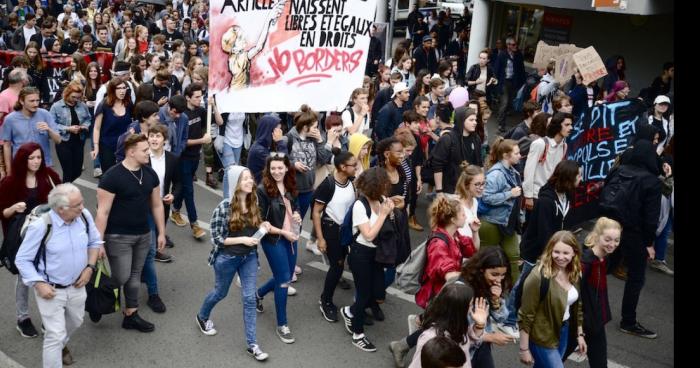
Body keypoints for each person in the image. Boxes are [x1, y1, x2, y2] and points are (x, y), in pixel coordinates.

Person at [14, 183, 99, 367]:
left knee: (76, 321)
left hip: (78, 285)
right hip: (51, 290)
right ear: (61, 209)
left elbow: (94, 242)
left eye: (82, 202)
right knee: (54, 335)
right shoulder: (41, 226)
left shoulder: (84, 217)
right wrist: (38, 283)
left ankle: (60, 344)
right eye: (77, 205)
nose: (83, 207)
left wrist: (90, 267)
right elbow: (22, 260)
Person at [390, 196, 478, 366]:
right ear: (452, 218)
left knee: (438, 326)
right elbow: (446, 272)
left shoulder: (456, 235)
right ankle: (406, 344)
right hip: (438, 294)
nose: (466, 216)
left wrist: (474, 231)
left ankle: (407, 337)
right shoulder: (439, 242)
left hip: (447, 292)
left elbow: (473, 250)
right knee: (440, 328)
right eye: (462, 214)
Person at [195, 165, 271, 362]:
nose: (249, 181)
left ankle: (252, 344)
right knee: (220, 292)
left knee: (249, 299)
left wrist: (262, 227)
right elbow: (216, 238)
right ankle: (202, 317)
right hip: (227, 258)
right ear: (236, 182)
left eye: (250, 178)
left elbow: (254, 229)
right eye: (244, 178)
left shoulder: (254, 201)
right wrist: (241, 241)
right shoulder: (224, 206)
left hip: (249, 258)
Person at [500, 160, 582, 339]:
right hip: (536, 252)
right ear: (569, 177)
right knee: (523, 285)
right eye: (578, 175)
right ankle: (508, 320)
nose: (581, 179)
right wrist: (550, 255)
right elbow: (544, 231)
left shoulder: (567, 195)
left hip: (554, 251)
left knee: (540, 287)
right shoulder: (546, 200)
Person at [94, 134, 166, 331]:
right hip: (118, 236)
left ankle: (131, 314)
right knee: (122, 276)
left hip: (143, 234)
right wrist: (97, 242)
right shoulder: (111, 177)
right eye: (144, 150)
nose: (148, 153)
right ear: (131, 152)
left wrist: (160, 232)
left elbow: (157, 205)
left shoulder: (150, 174)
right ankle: (96, 298)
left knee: (135, 274)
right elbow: (102, 211)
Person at [0, 142, 61, 339]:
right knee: (24, 278)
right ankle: (22, 318)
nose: (36, 161)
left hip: (49, 236)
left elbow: (62, 200)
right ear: (22, 160)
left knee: (50, 276)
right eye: (31, 158)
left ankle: (48, 318)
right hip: (22, 238)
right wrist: (13, 208)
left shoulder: (49, 176)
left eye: (39, 157)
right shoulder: (10, 182)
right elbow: (3, 212)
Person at [605, 140, 662, 339]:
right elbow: (651, 218)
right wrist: (649, 243)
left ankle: (576, 303)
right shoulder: (652, 182)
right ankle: (628, 321)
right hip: (634, 234)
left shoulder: (618, 170)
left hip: (609, 227)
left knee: (601, 267)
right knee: (636, 278)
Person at [340, 167, 395, 352]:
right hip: (360, 253)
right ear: (376, 186)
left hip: (376, 254)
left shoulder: (380, 200)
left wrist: (392, 208)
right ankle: (358, 334)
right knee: (363, 293)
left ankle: (349, 311)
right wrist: (383, 214)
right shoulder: (359, 205)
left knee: (376, 291)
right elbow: (369, 234)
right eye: (384, 184)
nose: (387, 187)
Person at [518, 231, 587, 368]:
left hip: (564, 331)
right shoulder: (538, 277)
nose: (560, 257)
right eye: (556, 252)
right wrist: (524, 349)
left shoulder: (575, 271)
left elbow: (578, 306)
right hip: (541, 335)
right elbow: (526, 315)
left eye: (566, 253)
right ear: (550, 251)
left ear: (574, 253)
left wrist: (580, 334)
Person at [254, 154, 302, 342]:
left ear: (287, 168)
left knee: (286, 275)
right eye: (273, 168)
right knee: (283, 280)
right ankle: (282, 324)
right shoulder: (262, 190)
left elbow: (295, 204)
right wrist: (284, 233)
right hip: (274, 239)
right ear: (268, 169)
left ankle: (258, 294)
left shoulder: (290, 183)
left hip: (292, 236)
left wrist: (297, 214)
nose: (276, 172)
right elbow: (261, 222)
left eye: (280, 168)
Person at [312, 152, 358, 322]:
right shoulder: (328, 185)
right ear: (342, 167)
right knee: (337, 266)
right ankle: (325, 301)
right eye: (353, 165)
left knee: (345, 263)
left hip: (347, 231)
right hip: (331, 231)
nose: (357, 167)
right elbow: (316, 213)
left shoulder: (351, 182)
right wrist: (320, 238)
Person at [408, 283, 488, 368]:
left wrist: (480, 325)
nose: (472, 308)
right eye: (470, 304)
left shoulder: (456, 327)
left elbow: (465, 343)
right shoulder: (430, 338)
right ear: (459, 309)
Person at [461, 247, 514, 367]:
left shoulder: (487, 285)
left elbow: (501, 318)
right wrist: (490, 337)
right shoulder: (463, 290)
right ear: (481, 270)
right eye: (494, 274)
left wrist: (496, 300)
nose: (499, 280)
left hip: (480, 345)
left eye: (503, 275)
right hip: (462, 350)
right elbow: (458, 332)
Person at [479, 138, 522, 283]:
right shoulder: (496, 174)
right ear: (505, 155)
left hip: (507, 223)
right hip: (492, 223)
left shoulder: (511, 171)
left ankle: (515, 294)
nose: (520, 155)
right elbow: (486, 197)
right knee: (486, 259)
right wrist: (510, 194)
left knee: (514, 257)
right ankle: (480, 287)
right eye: (516, 153)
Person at [581, 217, 622, 368]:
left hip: (596, 321)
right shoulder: (585, 262)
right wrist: (579, 329)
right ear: (597, 236)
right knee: (554, 360)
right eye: (608, 239)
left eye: (616, 240)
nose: (612, 244)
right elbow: (574, 295)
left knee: (599, 364)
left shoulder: (605, 258)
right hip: (580, 321)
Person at [170, 83, 209, 239]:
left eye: (201, 96)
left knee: (182, 187)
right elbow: (182, 141)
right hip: (183, 158)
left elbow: (218, 122)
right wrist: (202, 140)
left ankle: (175, 210)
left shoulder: (201, 110)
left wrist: (215, 106)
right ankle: (195, 225)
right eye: (197, 97)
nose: (200, 100)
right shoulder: (181, 114)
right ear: (187, 97)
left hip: (195, 157)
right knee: (189, 190)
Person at [522, 112, 573, 227]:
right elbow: (528, 171)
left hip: (551, 195)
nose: (571, 128)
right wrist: (528, 196)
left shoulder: (564, 146)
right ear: (557, 125)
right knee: (531, 229)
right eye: (567, 125)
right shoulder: (540, 144)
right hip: (536, 196)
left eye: (571, 125)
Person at [285, 104, 333, 223]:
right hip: (291, 189)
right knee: (289, 222)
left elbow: (323, 159)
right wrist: (294, 164)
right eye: (314, 127)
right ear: (305, 127)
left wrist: (321, 141)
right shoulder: (289, 138)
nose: (317, 130)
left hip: (308, 189)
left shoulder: (315, 138)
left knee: (298, 222)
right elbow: (280, 160)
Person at [2, 86, 61, 175]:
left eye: (37, 100)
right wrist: (9, 170)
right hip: (20, 165)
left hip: (43, 164)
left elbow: (58, 140)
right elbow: (7, 146)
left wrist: (49, 130)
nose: (36, 104)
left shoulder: (45, 114)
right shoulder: (10, 119)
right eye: (32, 101)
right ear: (22, 101)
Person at [432, 107, 482, 195]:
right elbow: (437, 166)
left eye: (475, 120)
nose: (475, 122)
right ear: (461, 120)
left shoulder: (476, 138)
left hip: (470, 189)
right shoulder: (447, 139)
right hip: (451, 190)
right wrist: (439, 192)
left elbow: (479, 163)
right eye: (471, 120)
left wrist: (481, 185)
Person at [49, 81, 91, 183]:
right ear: (67, 93)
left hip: (79, 141)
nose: (76, 100)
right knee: (68, 171)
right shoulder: (56, 106)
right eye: (73, 97)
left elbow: (88, 119)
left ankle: (62, 187)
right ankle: (65, 195)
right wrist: (68, 128)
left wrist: (83, 126)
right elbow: (51, 125)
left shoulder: (82, 105)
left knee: (77, 171)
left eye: (78, 97)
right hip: (63, 142)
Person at [91, 78, 133, 172]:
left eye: (124, 88)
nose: (122, 91)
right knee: (109, 174)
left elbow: (133, 122)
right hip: (107, 146)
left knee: (124, 174)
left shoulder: (128, 103)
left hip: (125, 145)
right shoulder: (104, 105)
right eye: (119, 88)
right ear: (112, 90)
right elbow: (96, 128)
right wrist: (96, 147)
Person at [494, 37, 526, 133]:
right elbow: (496, 69)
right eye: (513, 45)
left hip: (514, 82)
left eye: (516, 44)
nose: (516, 46)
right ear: (508, 45)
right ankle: (501, 124)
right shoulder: (502, 55)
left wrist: (523, 83)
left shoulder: (518, 55)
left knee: (509, 104)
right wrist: (496, 82)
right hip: (504, 82)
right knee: (504, 102)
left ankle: (501, 117)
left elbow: (522, 69)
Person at [246, 114, 287, 184]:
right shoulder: (258, 150)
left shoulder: (267, 145)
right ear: (268, 131)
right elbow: (283, 164)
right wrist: (280, 142)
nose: (280, 133)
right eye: (277, 131)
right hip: (261, 190)